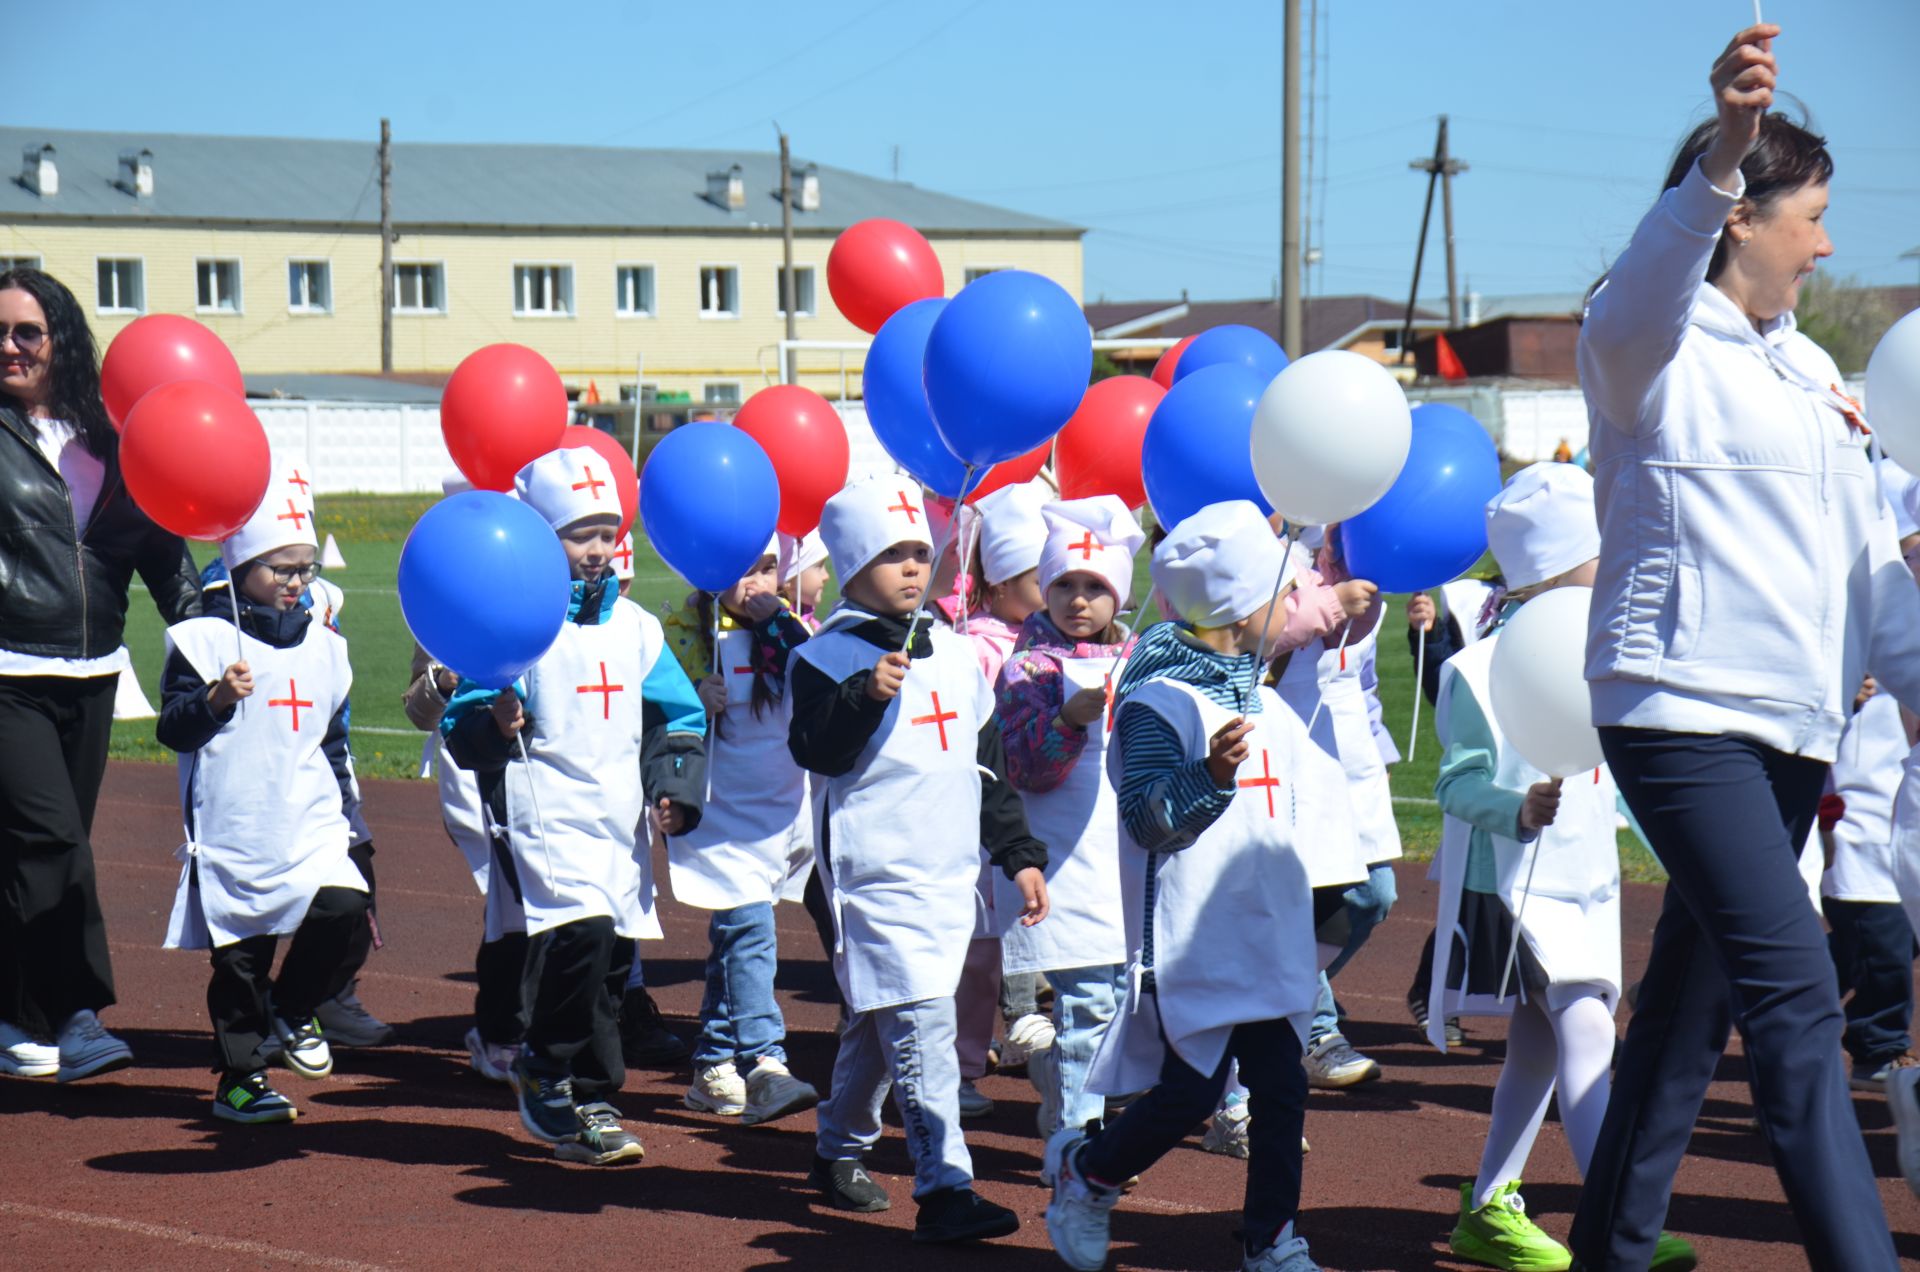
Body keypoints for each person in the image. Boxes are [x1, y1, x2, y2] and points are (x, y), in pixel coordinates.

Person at [1570, 25, 1920, 1269]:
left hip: (1790, 731)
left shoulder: (1816, 371)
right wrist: (1723, 147)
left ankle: (1611, 1249)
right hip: (1680, 714)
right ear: (1741, 219)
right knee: (1797, 1000)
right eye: (1811, 216)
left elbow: (1871, 563)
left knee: (1682, 1017)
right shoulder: (1643, 350)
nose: (1827, 242)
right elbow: (1645, 288)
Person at [1045, 500, 1328, 1272]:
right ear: (1240, 603)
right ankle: (1088, 1171)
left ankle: (1271, 1241)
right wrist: (1210, 774)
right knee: (1190, 1095)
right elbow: (1143, 815)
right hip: (1193, 935)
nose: (1295, 598)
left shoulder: (1264, 697)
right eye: (1283, 587)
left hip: (1265, 929)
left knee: (1280, 1091)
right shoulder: (1157, 701)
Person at [1427, 464, 1694, 1272]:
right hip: (1515, 888)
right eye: (1595, 555)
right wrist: (1515, 807)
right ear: (1549, 570)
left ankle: (1488, 1206)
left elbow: (1623, 781)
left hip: (1589, 883)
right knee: (1585, 1031)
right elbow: (1456, 781)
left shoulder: (1606, 657)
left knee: (1539, 1048)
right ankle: (1620, 1223)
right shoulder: (1473, 670)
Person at [787, 479, 1048, 1243]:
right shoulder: (822, 656)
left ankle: (837, 1150)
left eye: (916, 553)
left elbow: (987, 768)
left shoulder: (961, 655)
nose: (908, 568)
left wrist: (1019, 854)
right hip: (872, 875)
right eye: (889, 554)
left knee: (884, 1016)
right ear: (850, 564)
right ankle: (943, 1187)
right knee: (922, 1021)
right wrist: (864, 695)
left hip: (946, 872)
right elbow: (815, 748)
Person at [442, 448, 706, 1167]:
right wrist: (492, 721)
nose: (596, 550)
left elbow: (680, 719)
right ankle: (548, 1069)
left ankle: (589, 1100)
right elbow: (462, 722)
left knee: (611, 964)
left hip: (616, 822)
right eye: (577, 534)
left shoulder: (639, 629)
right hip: (544, 816)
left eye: (606, 533)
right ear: (536, 537)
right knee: (581, 934)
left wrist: (675, 788)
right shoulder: (514, 627)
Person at [0, 267, 203, 1082]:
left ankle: (17, 1014)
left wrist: (214, 631)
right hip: (6, 668)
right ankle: (80, 1013)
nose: (9, 347)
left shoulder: (113, 438)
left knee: (40, 851)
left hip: (90, 673)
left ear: (63, 341)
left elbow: (161, 551)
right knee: (51, 841)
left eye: (25, 332)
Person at [154, 477, 369, 1123]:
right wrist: (216, 699)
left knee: (345, 907)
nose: (295, 582)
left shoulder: (328, 647)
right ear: (243, 564)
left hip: (309, 817)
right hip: (236, 824)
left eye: (305, 569)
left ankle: (294, 1005)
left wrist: (348, 804)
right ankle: (241, 1077)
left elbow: (331, 739)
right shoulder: (203, 641)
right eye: (281, 569)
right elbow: (174, 728)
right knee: (242, 960)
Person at [995, 495, 1144, 1138]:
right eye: (1064, 585)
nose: (1078, 601)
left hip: (1125, 857)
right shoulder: (1028, 668)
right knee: (1087, 1000)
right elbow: (1024, 768)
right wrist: (1065, 720)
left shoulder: (1139, 662)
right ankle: (1079, 1141)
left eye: (1094, 587)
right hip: (1060, 861)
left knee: (1116, 1002)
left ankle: (1057, 1078)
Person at [665, 545, 820, 1125]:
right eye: (744, 569)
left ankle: (710, 1065)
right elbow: (652, 711)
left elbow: (809, 678)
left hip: (777, 807)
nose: (758, 582)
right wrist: (692, 701)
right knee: (748, 926)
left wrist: (771, 620)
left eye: (769, 568)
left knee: (736, 937)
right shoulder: (682, 633)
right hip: (717, 809)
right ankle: (766, 1063)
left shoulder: (788, 627)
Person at [940, 481, 1058, 1112]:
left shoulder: (1047, 641)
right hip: (987, 817)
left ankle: (1015, 1031)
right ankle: (959, 1066)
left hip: (1034, 811)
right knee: (976, 952)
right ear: (1004, 581)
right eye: (1041, 577)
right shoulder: (977, 645)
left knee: (1025, 928)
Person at [1271, 525, 1393, 1090]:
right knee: (1294, 898)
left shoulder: (1370, 573)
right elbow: (1245, 643)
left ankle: (1278, 1002)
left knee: (1373, 895)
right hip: (1284, 749)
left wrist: (1379, 752)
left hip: (1348, 763)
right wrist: (1325, 605)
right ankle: (1314, 1029)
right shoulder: (1275, 557)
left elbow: (1363, 684)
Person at [1818, 671, 1918, 1092]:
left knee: (1855, 949)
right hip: (1856, 821)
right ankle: (1878, 1048)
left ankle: (1720, 996)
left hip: (1904, 816)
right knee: (1883, 944)